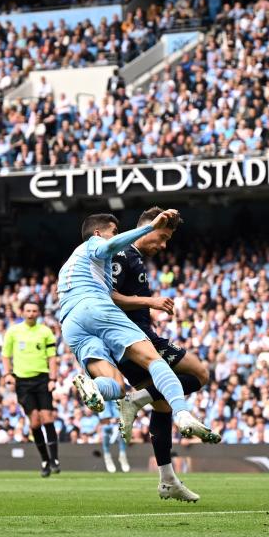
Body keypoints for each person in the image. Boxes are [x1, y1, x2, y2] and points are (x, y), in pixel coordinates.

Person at [57, 210, 214, 442]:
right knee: (154, 361)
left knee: (116, 386)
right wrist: (149, 228)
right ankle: (182, 414)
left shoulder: (72, 264)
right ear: (98, 233)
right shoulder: (93, 244)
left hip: (70, 322)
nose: (116, 236)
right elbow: (104, 251)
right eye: (114, 232)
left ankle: (94, 387)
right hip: (95, 307)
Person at [112, 206, 213, 502]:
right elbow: (107, 296)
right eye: (162, 237)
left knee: (163, 406)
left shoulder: (134, 257)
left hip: (138, 337)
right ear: (148, 227)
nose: (164, 245)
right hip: (135, 339)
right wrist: (151, 301)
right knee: (200, 374)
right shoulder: (122, 255)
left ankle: (167, 480)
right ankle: (137, 400)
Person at [1, 301, 60, 477]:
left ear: (38, 313)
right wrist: (8, 374)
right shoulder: (13, 331)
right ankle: (45, 460)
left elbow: (52, 357)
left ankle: (55, 459)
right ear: (22, 312)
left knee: (47, 417)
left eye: (34, 310)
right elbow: (6, 355)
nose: (31, 313)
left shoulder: (45, 331)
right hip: (23, 382)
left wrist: (52, 378)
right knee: (34, 421)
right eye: (28, 310)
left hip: (42, 379)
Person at [100, 401, 130, 474]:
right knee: (105, 432)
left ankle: (122, 456)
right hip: (108, 424)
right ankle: (107, 458)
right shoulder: (104, 401)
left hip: (117, 424)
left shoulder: (118, 400)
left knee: (122, 432)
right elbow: (103, 421)